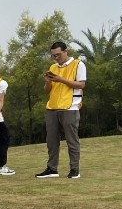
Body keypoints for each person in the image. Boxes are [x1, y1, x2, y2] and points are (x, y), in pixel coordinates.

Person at [36, 41, 87, 179]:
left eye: (58, 54)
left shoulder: (78, 64)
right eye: (54, 55)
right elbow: (47, 90)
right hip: (52, 107)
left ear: (66, 51)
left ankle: (74, 169)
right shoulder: (53, 67)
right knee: (51, 141)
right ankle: (52, 169)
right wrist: (48, 82)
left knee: (72, 140)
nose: (56, 58)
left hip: (70, 107)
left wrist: (61, 79)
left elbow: (81, 84)